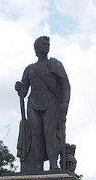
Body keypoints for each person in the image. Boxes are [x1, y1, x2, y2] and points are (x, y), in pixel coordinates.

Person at [15, 36, 70, 172]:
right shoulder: (30, 69)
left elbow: (65, 85)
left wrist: (64, 102)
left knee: (50, 132)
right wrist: (20, 88)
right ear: (36, 48)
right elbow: (24, 90)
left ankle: (53, 163)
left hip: (51, 102)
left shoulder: (55, 64)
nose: (47, 46)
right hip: (33, 103)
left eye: (48, 44)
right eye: (44, 44)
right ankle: (37, 165)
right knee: (36, 134)